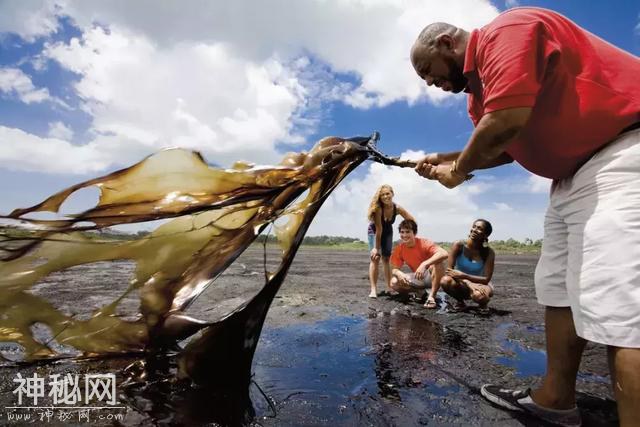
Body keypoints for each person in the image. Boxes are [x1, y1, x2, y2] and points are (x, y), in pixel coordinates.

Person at [409, 7, 640, 427]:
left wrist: (457, 172)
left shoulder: (505, 32)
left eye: (429, 69)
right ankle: (555, 399)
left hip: (621, 153)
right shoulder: (478, 99)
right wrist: (445, 158)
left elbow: (504, 124)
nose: (430, 82)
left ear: (446, 43)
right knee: (557, 288)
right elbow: (504, 148)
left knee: (622, 307)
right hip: (571, 178)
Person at [367, 184, 414, 298]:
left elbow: (411, 219)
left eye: (387, 193)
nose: (385, 196)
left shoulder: (397, 208)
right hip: (375, 231)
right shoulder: (378, 209)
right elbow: (379, 230)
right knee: (375, 258)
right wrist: (376, 248)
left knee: (387, 259)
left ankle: (389, 287)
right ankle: (373, 289)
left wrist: (409, 233)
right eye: (382, 195)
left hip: (388, 230)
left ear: (392, 194)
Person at [389, 219, 447, 309]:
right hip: (418, 277)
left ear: (414, 233)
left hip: (432, 276)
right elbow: (394, 269)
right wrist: (399, 273)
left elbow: (444, 253)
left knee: (438, 263)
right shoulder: (400, 248)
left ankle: (432, 296)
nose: (404, 235)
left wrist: (424, 264)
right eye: (402, 232)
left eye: (407, 232)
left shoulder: (424, 243)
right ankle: (420, 292)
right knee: (394, 282)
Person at [441, 219, 495, 314]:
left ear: (485, 235)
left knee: (479, 296)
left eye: (479, 228)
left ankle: (483, 304)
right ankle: (460, 302)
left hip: (482, 283)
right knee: (445, 281)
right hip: (462, 282)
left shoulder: (488, 252)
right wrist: (468, 282)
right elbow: (449, 271)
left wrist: (465, 276)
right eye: (474, 226)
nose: (474, 230)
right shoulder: (458, 245)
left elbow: (486, 279)